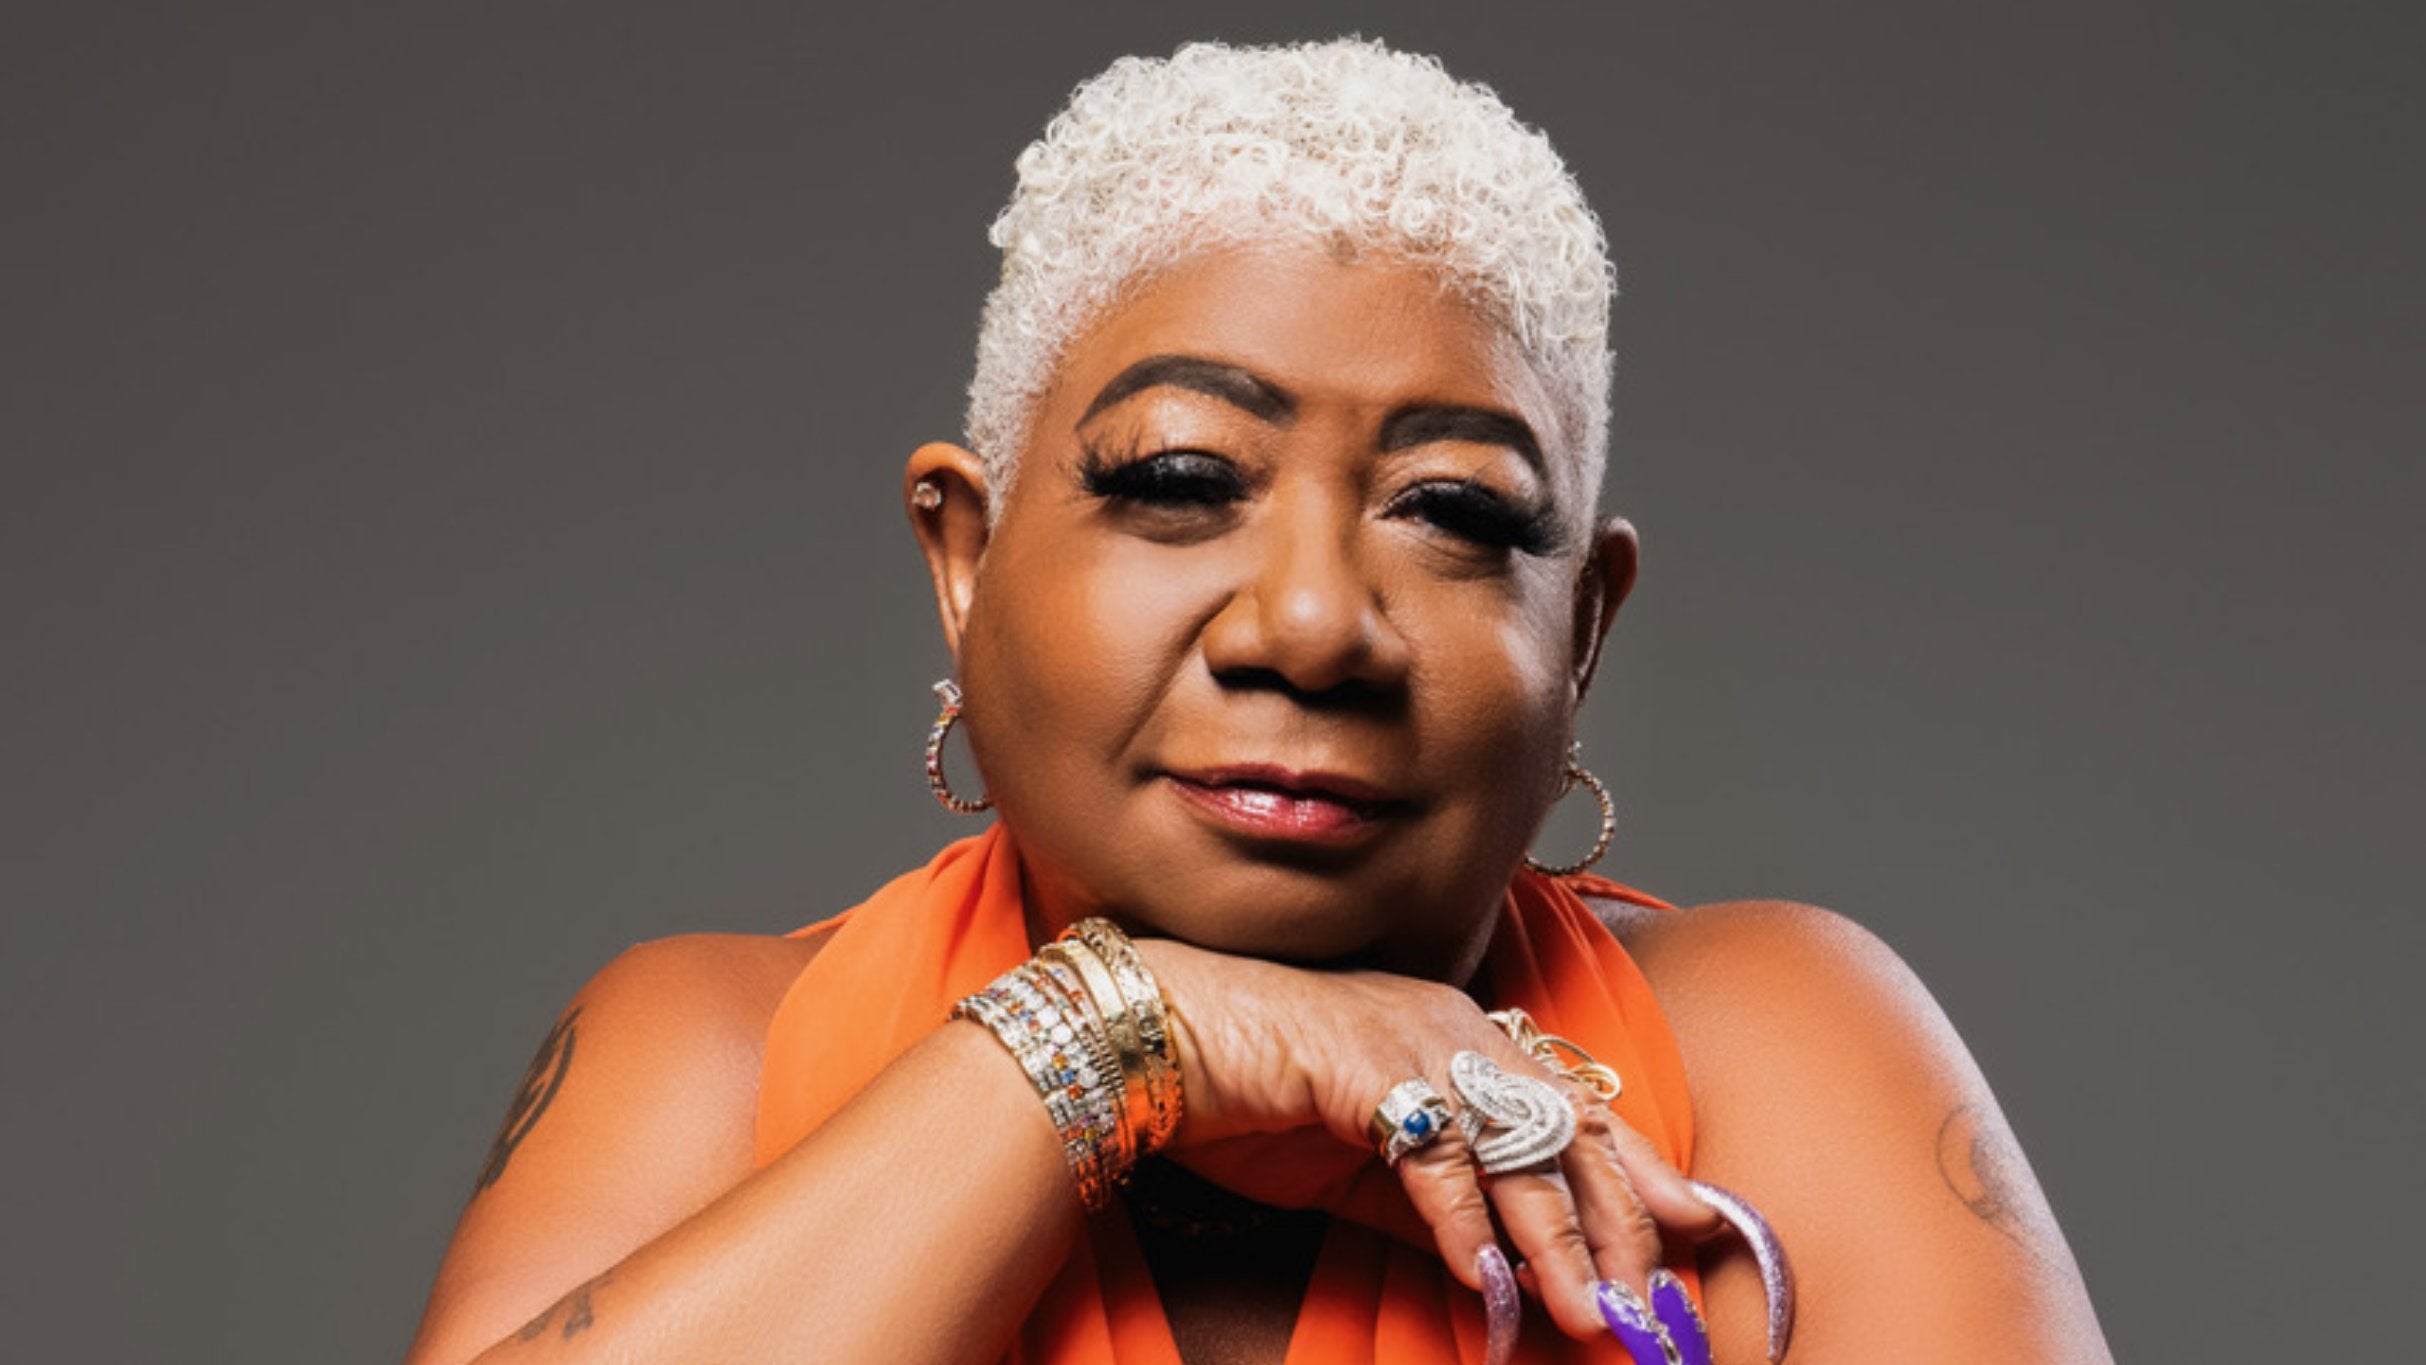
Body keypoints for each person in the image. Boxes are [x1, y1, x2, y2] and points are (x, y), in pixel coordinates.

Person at [403, 38, 2111, 1365]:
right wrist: (1113, 1038)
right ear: (966, 560)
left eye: (1453, 512)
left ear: (1582, 630)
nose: (1311, 626)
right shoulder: (716, 1058)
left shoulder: (1767, 1052)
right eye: (1180, 479)